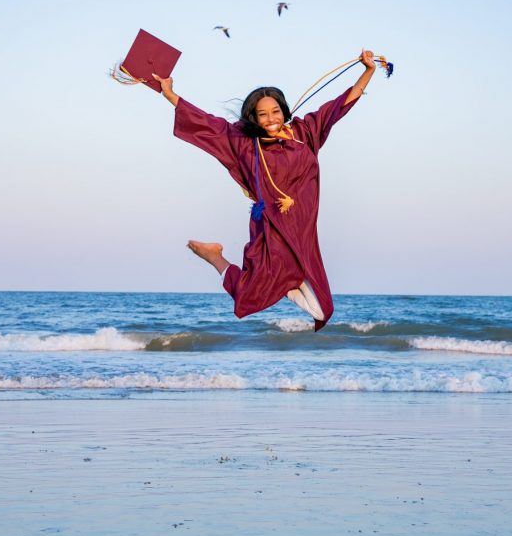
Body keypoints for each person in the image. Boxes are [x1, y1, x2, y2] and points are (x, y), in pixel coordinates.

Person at [152, 50, 377, 331]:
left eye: (275, 111)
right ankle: (215, 257)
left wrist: (368, 71)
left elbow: (340, 105)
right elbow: (208, 124)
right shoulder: (245, 143)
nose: (270, 118)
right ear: (254, 119)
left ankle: (284, 280)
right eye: (262, 114)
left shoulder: (306, 132)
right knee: (248, 296)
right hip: (271, 227)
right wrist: (171, 95)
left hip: (303, 228)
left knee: (323, 309)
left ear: (284, 110)